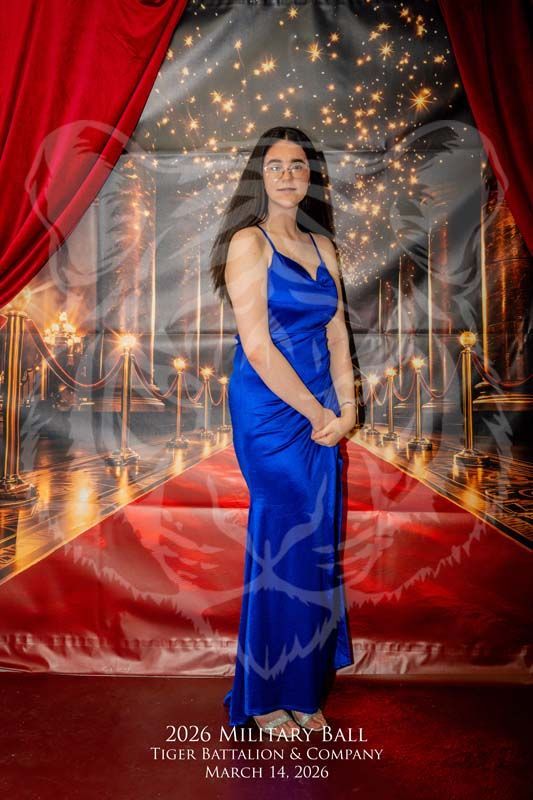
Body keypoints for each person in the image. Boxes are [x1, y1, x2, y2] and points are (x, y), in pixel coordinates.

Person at [209, 126, 356, 736]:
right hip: (270, 411)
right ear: (259, 177)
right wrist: (319, 414)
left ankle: (303, 686)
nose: (289, 174)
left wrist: (347, 409)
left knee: (316, 536)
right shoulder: (250, 242)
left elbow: (337, 334)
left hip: (322, 408)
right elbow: (260, 347)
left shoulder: (326, 249)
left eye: (299, 164)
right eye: (276, 165)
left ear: (311, 176)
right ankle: (269, 692)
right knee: (285, 534)